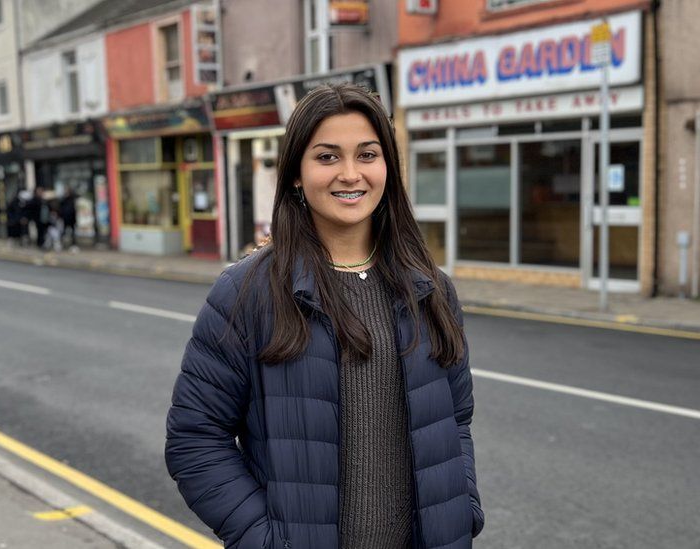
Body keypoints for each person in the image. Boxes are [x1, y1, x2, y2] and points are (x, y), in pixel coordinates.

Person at [165, 83, 484, 549]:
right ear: (296, 172)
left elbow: (456, 419)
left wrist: (463, 506)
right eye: (328, 157)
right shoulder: (246, 292)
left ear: (389, 169)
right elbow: (196, 440)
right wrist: (269, 541)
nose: (351, 174)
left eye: (368, 155)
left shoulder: (430, 288)